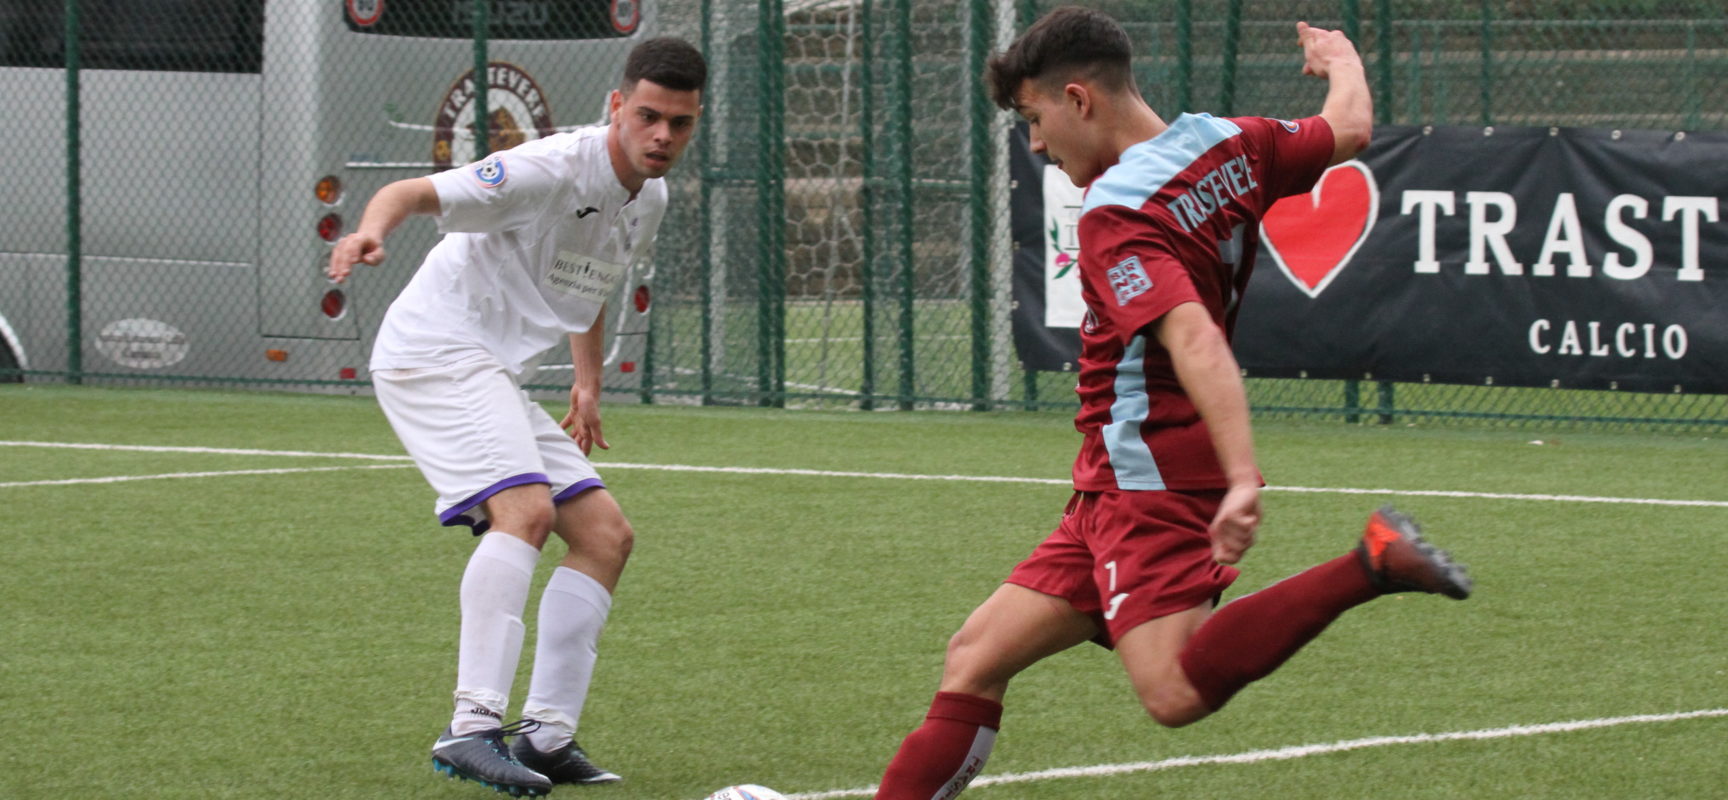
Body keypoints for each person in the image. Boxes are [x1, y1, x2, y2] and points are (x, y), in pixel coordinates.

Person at [870, 9, 1471, 798]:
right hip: (1110, 477)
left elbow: (1193, 339)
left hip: (1148, 475)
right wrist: (1342, 59)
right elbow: (1349, 129)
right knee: (975, 657)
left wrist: (1244, 474)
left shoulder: (1119, 211)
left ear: (1079, 99)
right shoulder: (1229, 142)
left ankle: (1370, 563)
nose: (1039, 147)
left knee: (1173, 691)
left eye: (1035, 120)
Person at [326, 37, 706, 797]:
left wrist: (588, 385)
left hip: (489, 371)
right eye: (648, 117)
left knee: (605, 537)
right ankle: (471, 727)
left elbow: (588, 282)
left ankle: (545, 736)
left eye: (681, 123)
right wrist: (370, 231)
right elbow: (412, 191)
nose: (663, 136)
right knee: (525, 512)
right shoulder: (549, 167)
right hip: (434, 352)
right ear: (616, 109)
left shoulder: (650, 197)